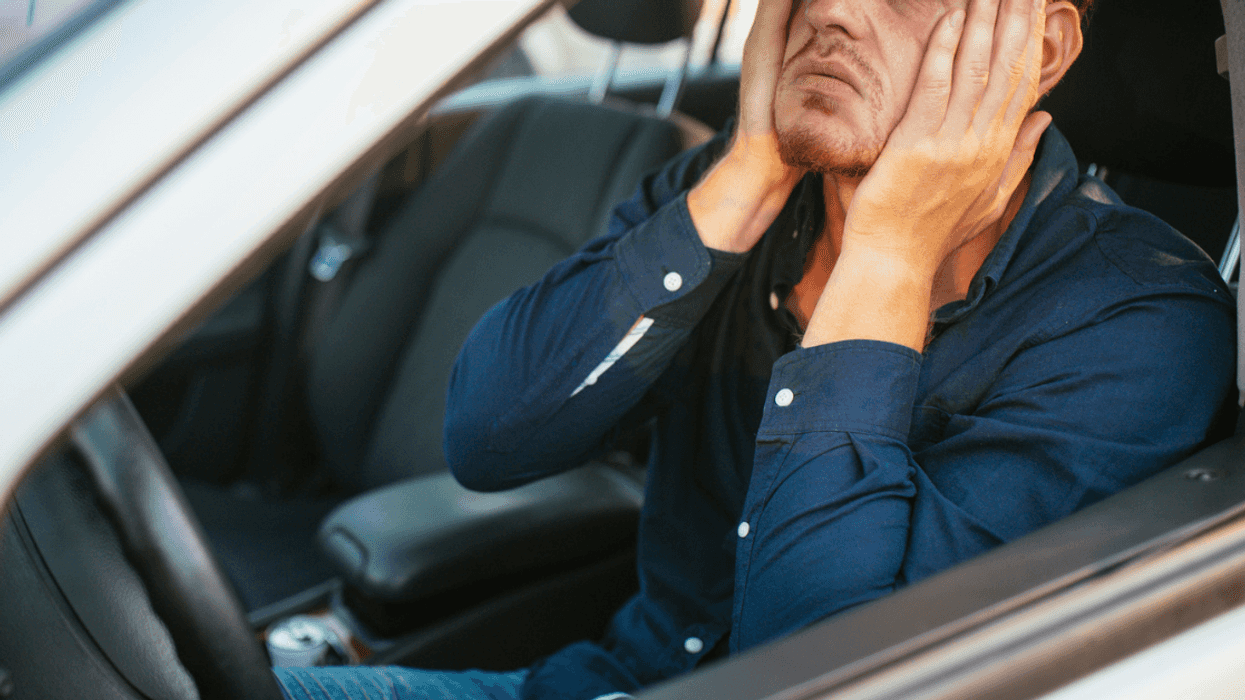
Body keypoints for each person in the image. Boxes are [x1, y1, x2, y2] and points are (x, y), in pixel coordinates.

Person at [274, 0, 1237, 698]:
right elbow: (486, 436)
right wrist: (749, 165)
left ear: (1039, 44)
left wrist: (890, 250)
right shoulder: (742, 194)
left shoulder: (1137, 321)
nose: (834, 13)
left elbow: (824, 660)